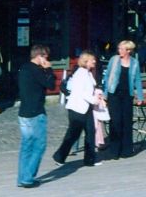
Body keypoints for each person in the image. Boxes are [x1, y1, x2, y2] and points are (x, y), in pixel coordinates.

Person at [52, 51, 102, 167]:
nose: (94, 61)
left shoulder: (88, 73)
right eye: (92, 60)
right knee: (73, 134)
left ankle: (89, 159)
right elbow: (82, 92)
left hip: (86, 107)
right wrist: (94, 100)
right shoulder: (81, 74)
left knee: (90, 132)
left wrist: (97, 95)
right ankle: (59, 156)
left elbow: (91, 88)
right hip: (77, 108)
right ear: (86, 61)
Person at [16, 44, 55, 188]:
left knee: (26, 146)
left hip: (24, 112)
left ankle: (22, 177)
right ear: (40, 56)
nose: (47, 59)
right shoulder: (37, 71)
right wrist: (48, 69)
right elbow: (51, 85)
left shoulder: (24, 68)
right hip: (36, 112)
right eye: (46, 57)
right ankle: (27, 178)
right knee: (39, 145)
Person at [103, 40, 144, 160]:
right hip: (114, 94)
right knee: (115, 121)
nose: (119, 50)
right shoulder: (114, 60)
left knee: (126, 122)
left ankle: (126, 150)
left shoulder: (134, 62)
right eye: (119, 48)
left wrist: (140, 96)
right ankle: (114, 150)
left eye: (121, 48)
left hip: (127, 95)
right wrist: (105, 94)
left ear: (128, 50)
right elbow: (107, 77)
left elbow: (137, 80)